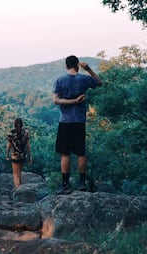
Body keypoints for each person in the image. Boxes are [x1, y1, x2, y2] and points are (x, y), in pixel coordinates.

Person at [52, 55, 102, 194]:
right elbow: (99, 82)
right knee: (80, 152)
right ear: (77, 65)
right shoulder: (84, 79)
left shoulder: (60, 80)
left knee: (65, 153)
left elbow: (55, 101)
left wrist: (72, 101)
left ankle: (65, 184)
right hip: (79, 120)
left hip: (65, 121)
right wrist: (89, 69)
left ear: (66, 66)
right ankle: (81, 182)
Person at [6, 118, 32, 189]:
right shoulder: (25, 133)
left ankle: (17, 189)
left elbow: (9, 145)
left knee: (15, 174)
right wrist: (30, 157)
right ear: (22, 124)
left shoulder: (11, 133)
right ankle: (20, 188)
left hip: (15, 155)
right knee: (19, 173)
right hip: (23, 155)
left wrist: (7, 154)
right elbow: (28, 146)